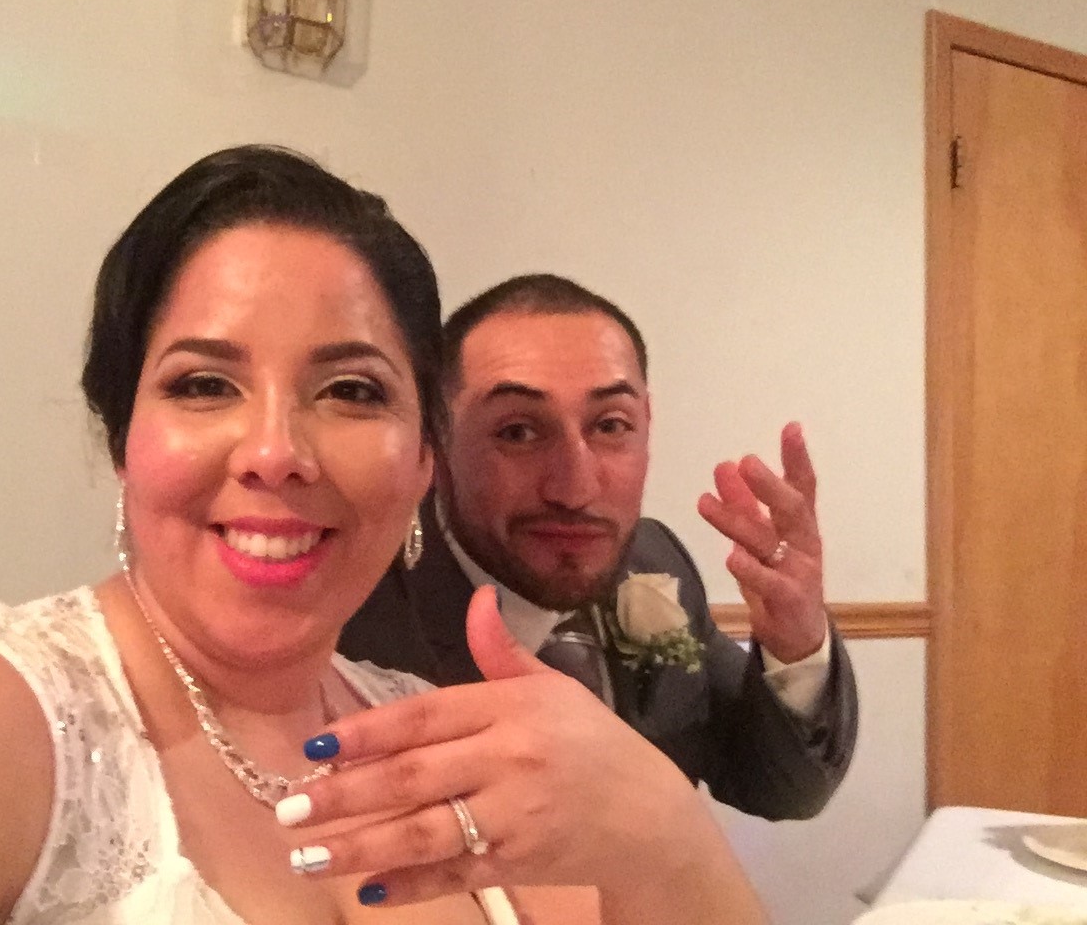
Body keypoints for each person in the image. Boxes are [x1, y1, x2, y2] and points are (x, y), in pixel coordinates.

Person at [0, 148, 765, 924]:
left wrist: (665, 830)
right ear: (124, 440)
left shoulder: (443, 735)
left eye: (350, 390)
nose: (275, 452)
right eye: (203, 384)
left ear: (424, 458)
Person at [340, 273, 859, 820]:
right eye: (518, 432)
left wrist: (797, 643)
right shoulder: (357, 610)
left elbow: (783, 789)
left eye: (611, 425)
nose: (575, 488)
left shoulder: (655, 562)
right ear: (437, 439)